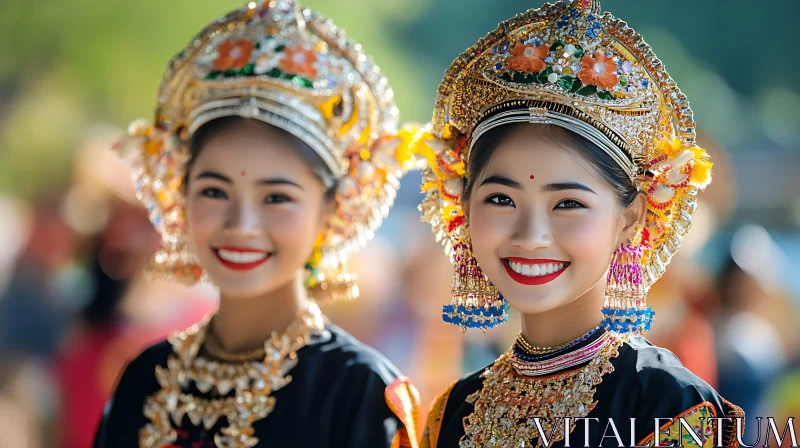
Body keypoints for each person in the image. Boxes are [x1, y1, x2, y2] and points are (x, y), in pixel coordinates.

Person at [415, 0, 744, 446]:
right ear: (463, 205)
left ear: (631, 218)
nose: (531, 236)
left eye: (567, 204)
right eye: (500, 199)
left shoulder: (672, 408)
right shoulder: (451, 412)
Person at [94, 1, 421, 446]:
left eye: (276, 198)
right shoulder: (144, 376)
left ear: (332, 209)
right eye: (214, 191)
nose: (242, 224)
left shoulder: (356, 389)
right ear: (180, 195)